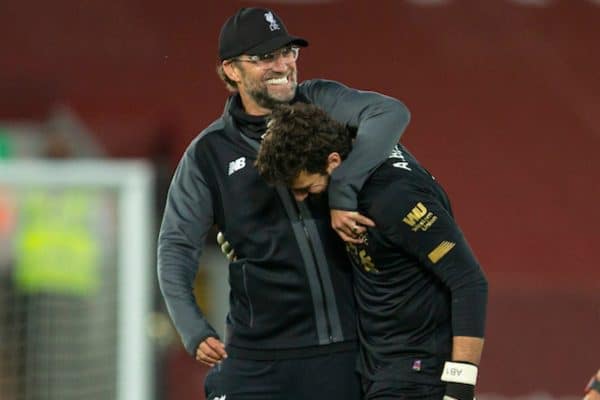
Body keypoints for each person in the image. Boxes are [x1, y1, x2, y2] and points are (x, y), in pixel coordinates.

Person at [157, 7, 411, 400]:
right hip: (256, 358)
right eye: (264, 57)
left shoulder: (323, 103)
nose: (283, 65)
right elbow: (176, 246)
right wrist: (192, 327)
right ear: (231, 70)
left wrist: (342, 187)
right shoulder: (207, 153)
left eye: (288, 52)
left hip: (346, 350)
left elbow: (390, 112)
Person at [255, 103, 488, 400]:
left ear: (334, 162)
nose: (301, 198)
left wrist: (460, 387)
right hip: (379, 367)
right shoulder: (354, 152)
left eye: (307, 187)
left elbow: (468, 280)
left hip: (416, 374)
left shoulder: (394, 198)